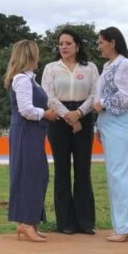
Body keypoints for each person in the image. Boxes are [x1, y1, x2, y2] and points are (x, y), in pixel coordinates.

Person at [41, 29, 99, 235]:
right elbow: (48, 95)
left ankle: (85, 222)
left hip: (84, 118)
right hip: (58, 119)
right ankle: (65, 222)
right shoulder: (51, 68)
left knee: (83, 170)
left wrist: (80, 113)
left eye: (68, 43)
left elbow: (95, 94)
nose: (63, 47)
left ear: (77, 45)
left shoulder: (90, 68)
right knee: (62, 170)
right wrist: (68, 116)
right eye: (60, 43)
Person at [5, 40, 59, 242]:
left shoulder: (29, 80)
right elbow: (26, 110)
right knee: (30, 174)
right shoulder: (22, 79)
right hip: (26, 131)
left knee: (38, 175)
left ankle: (29, 222)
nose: (39, 58)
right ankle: (26, 223)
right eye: (36, 54)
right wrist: (45, 114)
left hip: (32, 132)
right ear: (29, 56)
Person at [92, 27, 128, 242]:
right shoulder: (107, 66)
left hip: (121, 123)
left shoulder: (126, 65)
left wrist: (102, 104)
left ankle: (124, 227)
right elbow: (100, 95)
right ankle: (127, 225)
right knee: (117, 175)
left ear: (113, 42)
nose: (99, 46)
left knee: (120, 175)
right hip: (108, 123)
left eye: (102, 42)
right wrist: (98, 125)